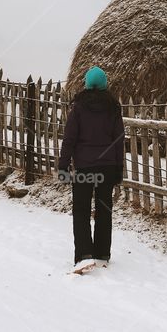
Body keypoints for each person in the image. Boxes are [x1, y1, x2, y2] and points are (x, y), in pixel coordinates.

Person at [58, 66, 125, 274]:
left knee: (81, 211)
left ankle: (84, 254)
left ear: (87, 84)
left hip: (85, 167)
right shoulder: (113, 108)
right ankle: (102, 253)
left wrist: (63, 165)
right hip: (107, 167)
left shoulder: (78, 108)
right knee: (104, 210)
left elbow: (70, 139)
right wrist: (118, 169)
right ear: (104, 84)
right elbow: (118, 140)